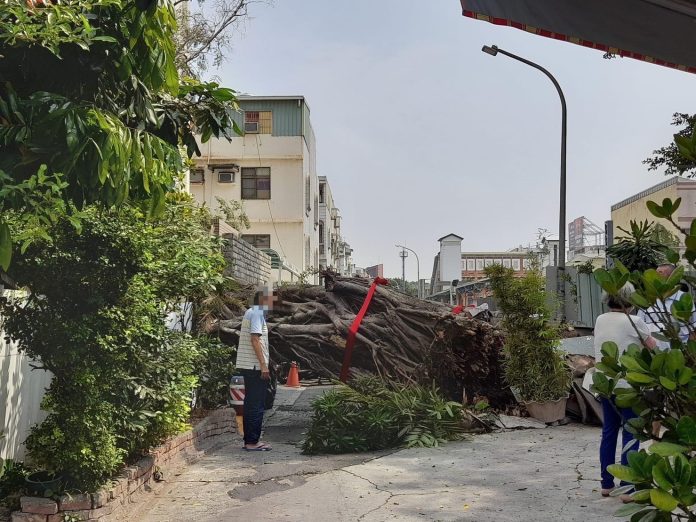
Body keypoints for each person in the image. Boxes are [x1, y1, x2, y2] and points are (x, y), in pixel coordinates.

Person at [593, 282, 656, 500]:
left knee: (609, 432)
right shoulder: (635, 321)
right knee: (631, 434)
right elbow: (653, 347)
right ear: (630, 299)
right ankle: (628, 488)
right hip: (628, 387)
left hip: (604, 384)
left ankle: (606, 484)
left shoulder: (600, 319)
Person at [236, 287, 277, 451]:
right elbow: (255, 339)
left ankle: (249, 440)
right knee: (257, 404)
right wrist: (263, 366)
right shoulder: (258, 313)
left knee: (250, 403)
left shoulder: (250, 312)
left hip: (248, 365)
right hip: (254, 367)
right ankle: (253, 442)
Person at [637, 263, 696, 350]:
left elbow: (694, 327)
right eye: (655, 273)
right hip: (654, 352)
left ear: (671, 277)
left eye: (660, 272)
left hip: (679, 352)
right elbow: (640, 327)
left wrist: (690, 352)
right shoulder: (647, 299)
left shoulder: (683, 298)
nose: (656, 276)